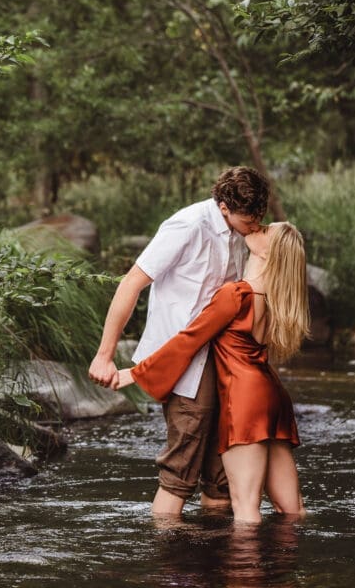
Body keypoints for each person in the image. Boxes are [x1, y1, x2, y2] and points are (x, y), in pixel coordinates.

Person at [88, 166, 270, 515]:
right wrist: (105, 355)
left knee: (221, 475)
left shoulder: (244, 232)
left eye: (259, 217)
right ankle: (169, 560)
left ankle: (213, 558)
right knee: (180, 470)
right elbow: (131, 283)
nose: (256, 225)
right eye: (249, 218)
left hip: (224, 360)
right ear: (224, 207)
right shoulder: (187, 226)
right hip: (183, 366)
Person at [115, 222, 309, 524]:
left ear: (266, 251)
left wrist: (138, 373)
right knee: (292, 509)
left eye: (264, 230)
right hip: (274, 397)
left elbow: (189, 338)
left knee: (246, 511)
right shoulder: (280, 301)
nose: (257, 227)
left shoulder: (236, 295)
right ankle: (285, 569)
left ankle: (245, 571)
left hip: (245, 402)